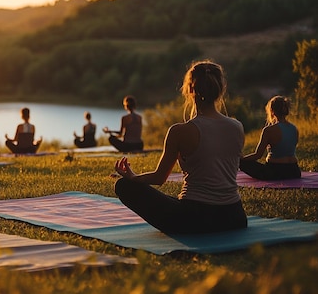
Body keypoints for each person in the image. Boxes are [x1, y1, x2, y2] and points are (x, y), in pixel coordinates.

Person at [113, 60, 247, 234]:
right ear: (220, 89)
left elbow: (159, 178)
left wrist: (133, 177)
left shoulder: (179, 131)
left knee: (123, 186)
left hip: (194, 218)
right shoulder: (237, 127)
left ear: (190, 90)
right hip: (234, 217)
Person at [239, 96, 301, 180]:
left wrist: (241, 159)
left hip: (275, 172)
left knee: (241, 163)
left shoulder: (268, 130)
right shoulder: (294, 129)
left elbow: (258, 155)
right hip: (294, 171)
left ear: (272, 111)